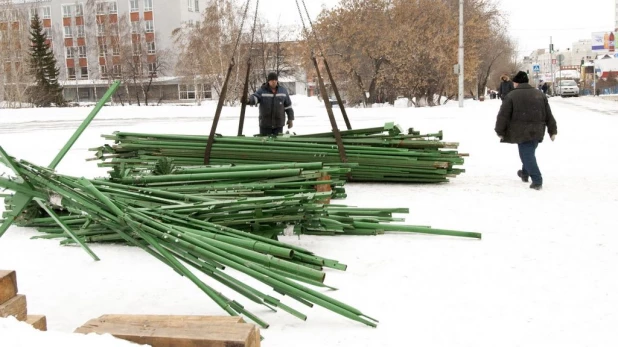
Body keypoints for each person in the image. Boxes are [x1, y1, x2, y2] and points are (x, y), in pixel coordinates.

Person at [494, 71, 558, 190]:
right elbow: (548, 114)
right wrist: (552, 130)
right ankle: (524, 173)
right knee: (528, 151)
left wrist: (500, 131)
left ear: (517, 83)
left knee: (527, 154)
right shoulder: (539, 94)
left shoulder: (512, 95)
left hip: (521, 130)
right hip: (538, 129)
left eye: (514, 82)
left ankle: (537, 180)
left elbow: (503, 115)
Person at [248, 72, 294, 136]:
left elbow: (288, 106)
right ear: (268, 81)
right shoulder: (262, 90)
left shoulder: (283, 91)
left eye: (275, 80)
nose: (274, 82)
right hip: (265, 124)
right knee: (265, 144)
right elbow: (255, 97)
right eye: (272, 80)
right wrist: (249, 100)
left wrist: (290, 119)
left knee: (277, 144)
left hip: (278, 124)